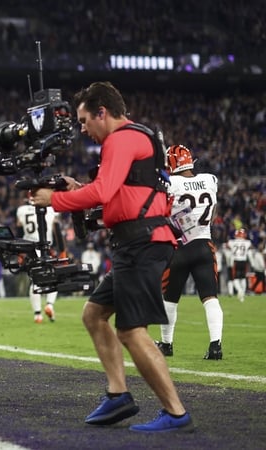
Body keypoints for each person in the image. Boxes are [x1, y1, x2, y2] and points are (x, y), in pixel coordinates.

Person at [30, 81, 193, 432]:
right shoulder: (135, 137)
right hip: (139, 241)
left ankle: (176, 413)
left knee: (132, 330)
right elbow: (117, 195)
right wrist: (78, 191)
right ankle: (118, 394)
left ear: (103, 112)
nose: (83, 128)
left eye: (85, 119)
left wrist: (54, 200)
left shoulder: (120, 139)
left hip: (143, 243)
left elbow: (104, 191)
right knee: (94, 314)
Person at [155, 144, 223, 360]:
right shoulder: (211, 180)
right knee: (210, 297)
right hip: (204, 244)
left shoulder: (170, 183)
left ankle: (167, 344)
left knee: (170, 298)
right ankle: (216, 346)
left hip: (179, 247)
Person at [16, 201, 60, 323]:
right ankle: (50, 305)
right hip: (46, 248)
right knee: (54, 278)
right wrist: (61, 249)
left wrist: (19, 252)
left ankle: (37, 314)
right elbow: (57, 229)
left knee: (35, 281)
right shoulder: (50, 209)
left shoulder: (21, 210)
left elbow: (19, 230)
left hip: (29, 249)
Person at [228, 228, 252, 302]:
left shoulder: (231, 242)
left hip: (236, 261)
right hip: (244, 261)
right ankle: (243, 292)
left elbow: (228, 246)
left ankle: (240, 291)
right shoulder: (248, 242)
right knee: (243, 278)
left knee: (235, 278)